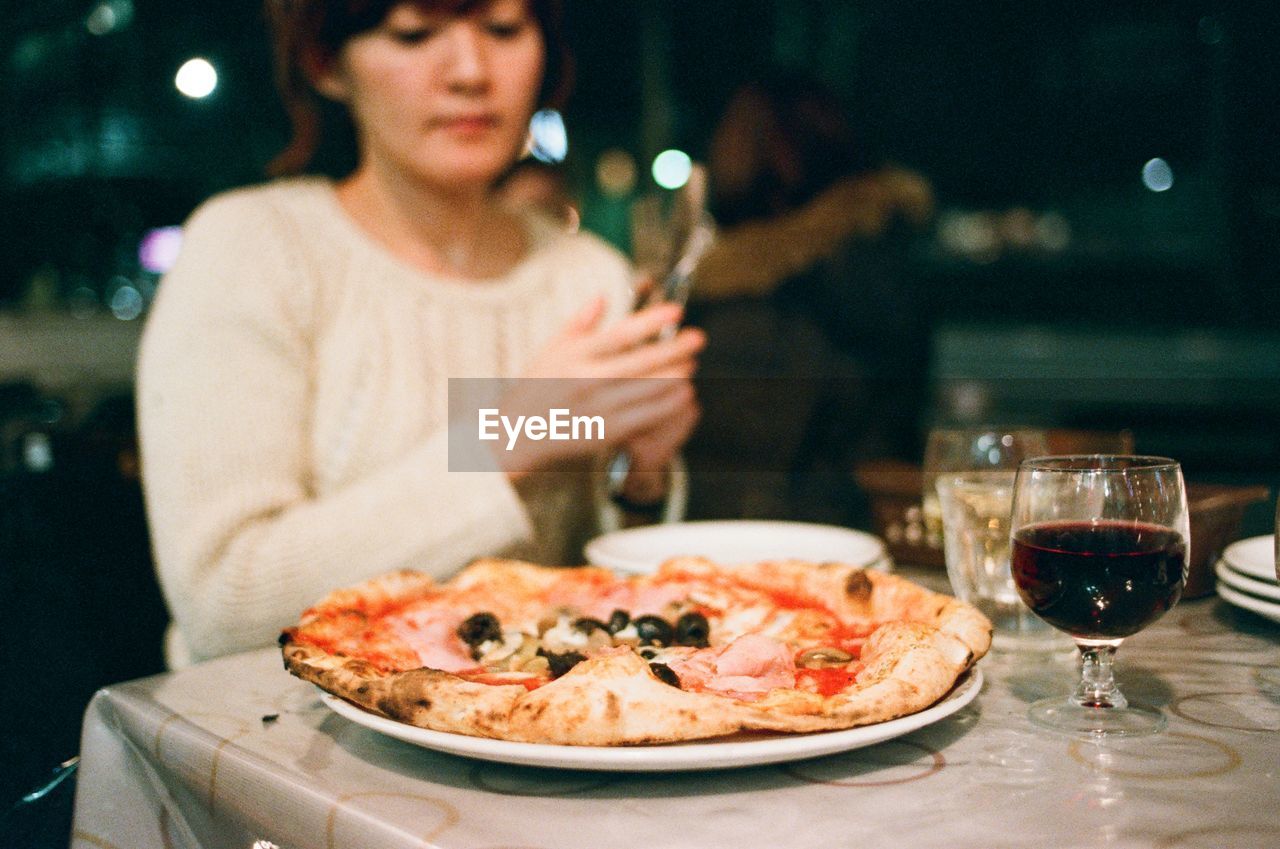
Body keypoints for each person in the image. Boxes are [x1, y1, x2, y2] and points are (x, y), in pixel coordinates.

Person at [137, 0, 703, 666]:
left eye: (503, 29)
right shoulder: (255, 249)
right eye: (414, 33)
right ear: (325, 63)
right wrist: (509, 435)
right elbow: (222, 604)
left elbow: (622, 601)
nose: (470, 71)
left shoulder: (587, 278)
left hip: (532, 737)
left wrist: (642, 474)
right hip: (283, 744)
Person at [685, 70, 934, 523]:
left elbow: (740, 453)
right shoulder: (871, 251)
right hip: (854, 522)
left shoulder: (766, 293)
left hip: (781, 535)